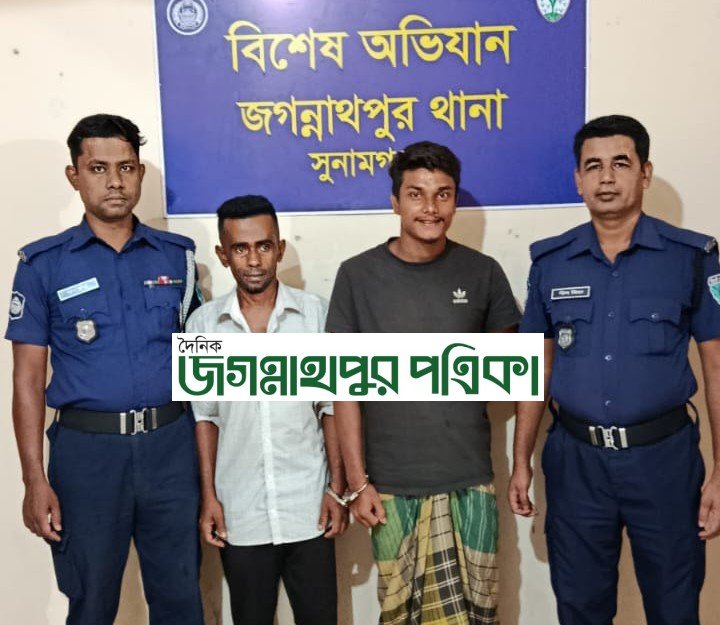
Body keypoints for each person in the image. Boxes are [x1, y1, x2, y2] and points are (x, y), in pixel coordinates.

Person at [509, 114, 720, 625]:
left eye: (620, 163)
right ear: (577, 179)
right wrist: (521, 460)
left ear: (645, 173)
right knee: (580, 608)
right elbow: (535, 366)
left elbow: (717, 365)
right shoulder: (551, 262)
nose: (606, 177)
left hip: (664, 460)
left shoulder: (692, 257)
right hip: (576, 462)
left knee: (674, 608)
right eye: (593, 166)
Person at [6, 114, 204, 624]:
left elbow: (204, 363)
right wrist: (34, 479)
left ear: (139, 173)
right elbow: (27, 381)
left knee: (181, 598)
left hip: (171, 448)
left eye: (126, 168)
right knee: (92, 601)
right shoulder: (43, 265)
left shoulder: (177, 258)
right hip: (87, 456)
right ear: (74, 175)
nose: (115, 181)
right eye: (98, 168)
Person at [326, 141, 521, 625]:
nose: (430, 208)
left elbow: (511, 373)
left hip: (469, 480)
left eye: (443, 194)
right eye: (416, 194)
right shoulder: (357, 276)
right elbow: (344, 388)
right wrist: (358, 482)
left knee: (478, 611)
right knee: (398, 613)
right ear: (395, 202)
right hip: (389, 484)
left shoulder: (483, 273)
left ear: (454, 200)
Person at [188, 195, 348, 625]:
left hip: (309, 507)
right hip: (240, 511)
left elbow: (331, 407)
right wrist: (209, 497)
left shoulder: (315, 315)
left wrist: (337, 488)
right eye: (240, 249)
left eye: (263, 246)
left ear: (279, 248)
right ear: (223, 255)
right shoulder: (202, 325)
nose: (254, 260)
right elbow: (204, 417)